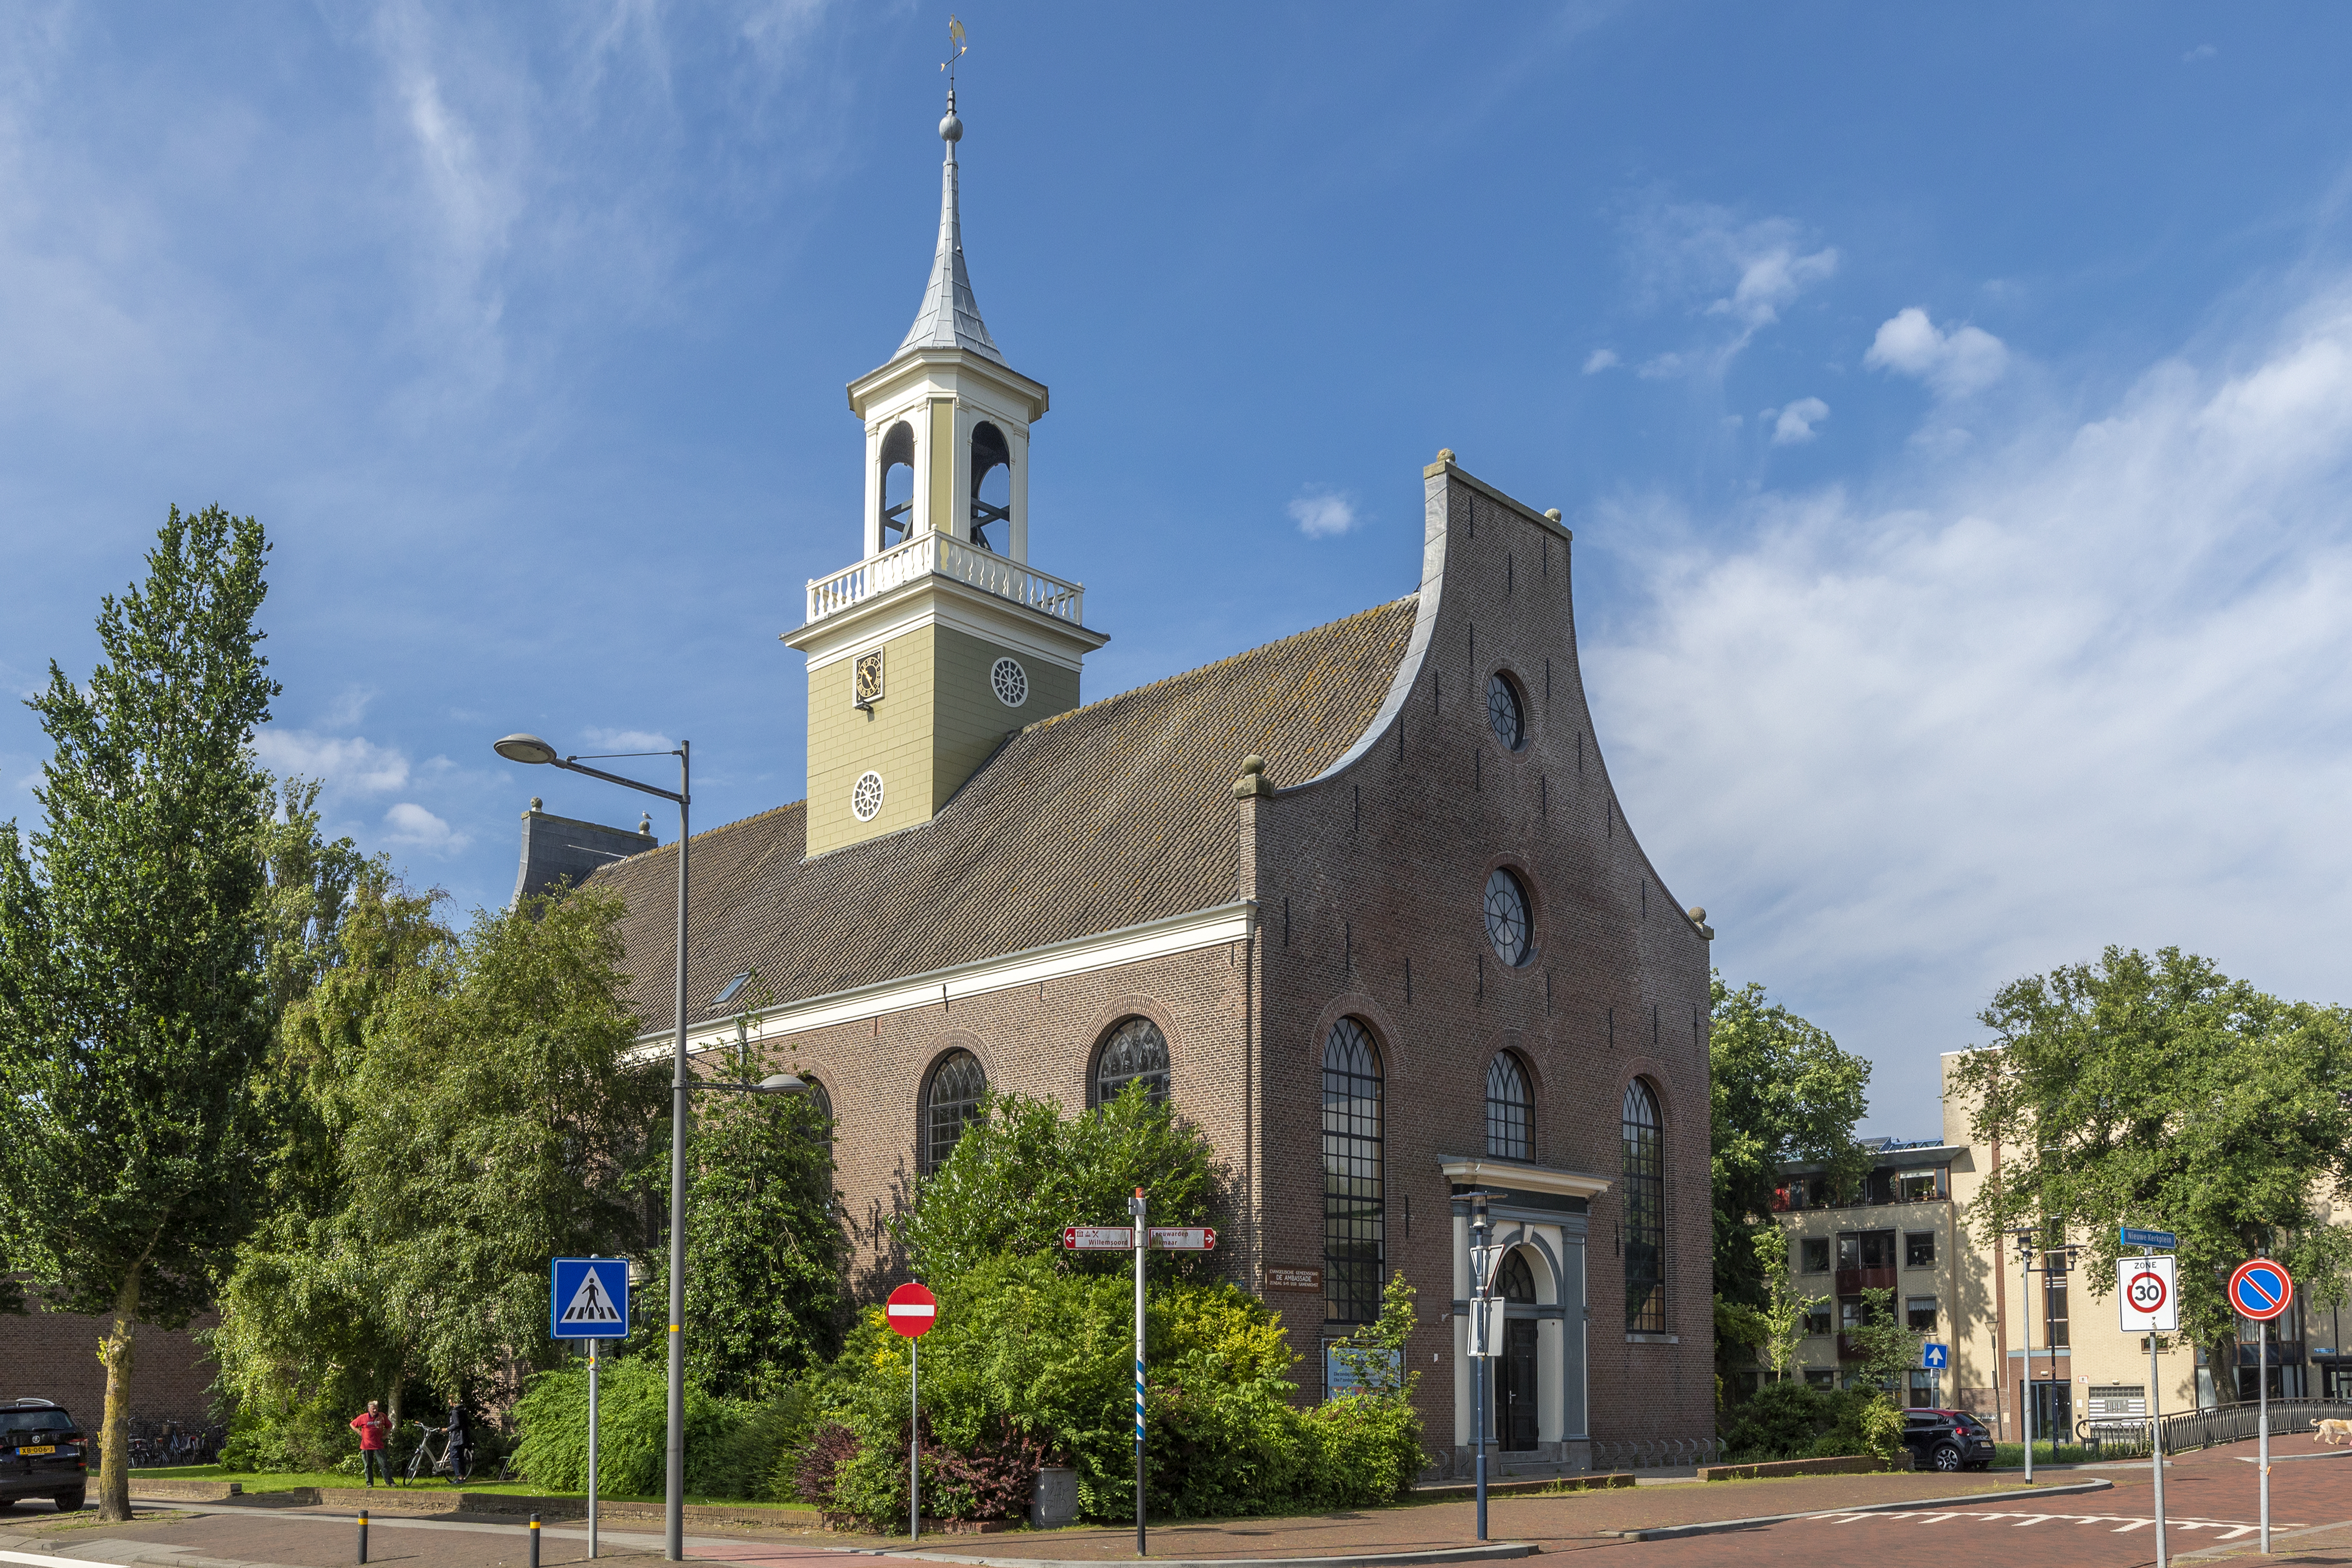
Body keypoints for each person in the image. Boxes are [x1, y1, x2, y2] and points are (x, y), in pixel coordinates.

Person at [349, 1401, 394, 1488]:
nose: (375, 1411)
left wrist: (386, 1435)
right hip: (366, 1446)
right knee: (368, 1465)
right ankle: (370, 1484)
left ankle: (390, 1482)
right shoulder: (363, 1418)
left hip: (379, 1445)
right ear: (369, 1409)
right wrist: (359, 1432)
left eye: (376, 1409)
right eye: (373, 1409)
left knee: (384, 1464)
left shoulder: (382, 1417)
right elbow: (352, 1424)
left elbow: (389, 1426)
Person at [445, 1398, 471, 1484]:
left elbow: (457, 1424)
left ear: (453, 1400)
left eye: (450, 1400)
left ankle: (459, 1478)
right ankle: (462, 1477)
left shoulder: (455, 1411)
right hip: (463, 1438)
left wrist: (447, 1429)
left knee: (454, 1457)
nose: (449, 1402)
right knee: (461, 1457)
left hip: (456, 1438)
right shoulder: (462, 1410)